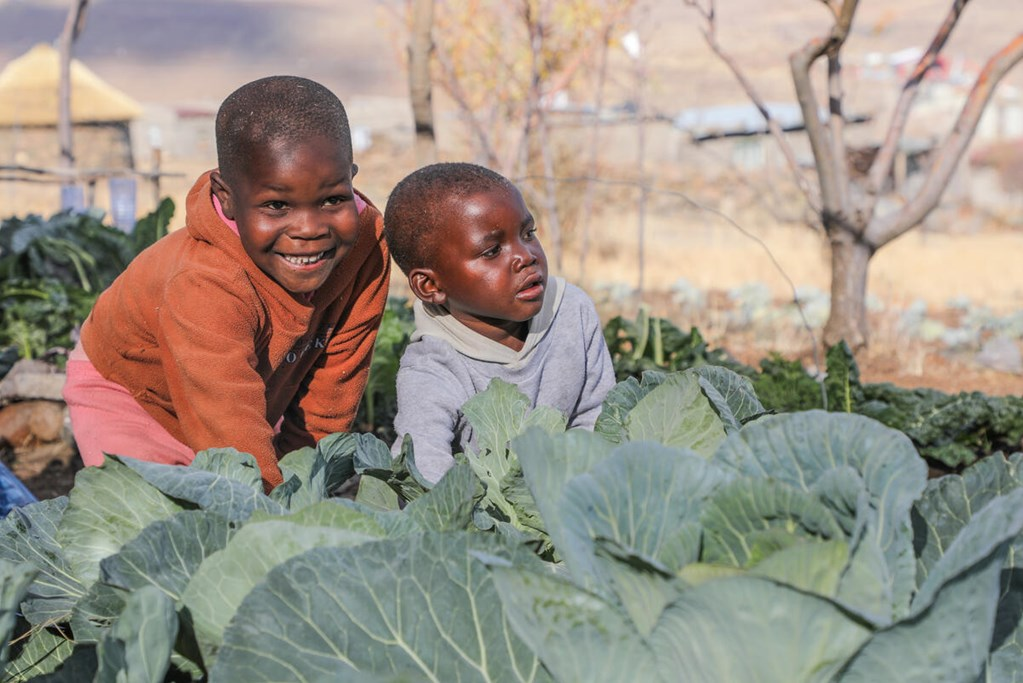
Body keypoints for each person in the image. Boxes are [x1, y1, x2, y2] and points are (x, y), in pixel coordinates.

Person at [62, 76, 390, 490]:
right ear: (228, 196)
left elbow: (333, 389)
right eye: (276, 205)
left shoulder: (365, 246)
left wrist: (305, 485)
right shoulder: (204, 282)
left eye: (332, 199)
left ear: (351, 177)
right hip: (133, 399)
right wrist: (271, 513)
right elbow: (231, 440)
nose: (309, 228)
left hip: (236, 401)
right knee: (154, 528)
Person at [383, 162, 615, 485]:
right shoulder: (431, 370)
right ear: (431, 287)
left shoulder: (572, 312)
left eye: (528, 233)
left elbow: (598, 418)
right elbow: (425, 471)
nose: (526, 256)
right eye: (492, 251)